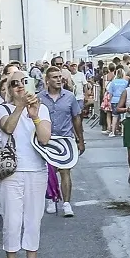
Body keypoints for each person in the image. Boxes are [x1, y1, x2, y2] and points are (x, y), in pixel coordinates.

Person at [0, 75, 52, 258]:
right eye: (14, 83)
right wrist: (19, 107)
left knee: (33, 219)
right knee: (12, 219)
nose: (19, 86)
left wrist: (34, 115)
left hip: (37, 169)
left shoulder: (42, 109)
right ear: (8, 88)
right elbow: (7, 128)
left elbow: (45, 138)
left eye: (23, 82)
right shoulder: (3, 108)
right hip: (11, 171)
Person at [39, 65, 84, 217]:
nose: (59, 80)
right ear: (47, 80)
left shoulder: (69, 97)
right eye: (55, 77)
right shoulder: (39, 98)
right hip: (47, 140)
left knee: (65, 171)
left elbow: (76, 118)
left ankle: (66, 203)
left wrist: (80, 140)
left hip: (65, 138)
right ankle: (51, 198)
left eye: (60, 77)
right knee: (49, 172)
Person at [106, 65, 128, 137]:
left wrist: (110, 101)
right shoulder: (125, 82)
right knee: (123, 117)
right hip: (123, 100)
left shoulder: (113, 82)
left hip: (114, 100)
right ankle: (123, 132)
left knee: (114, 116)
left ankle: (113, 132)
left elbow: (110, 93)